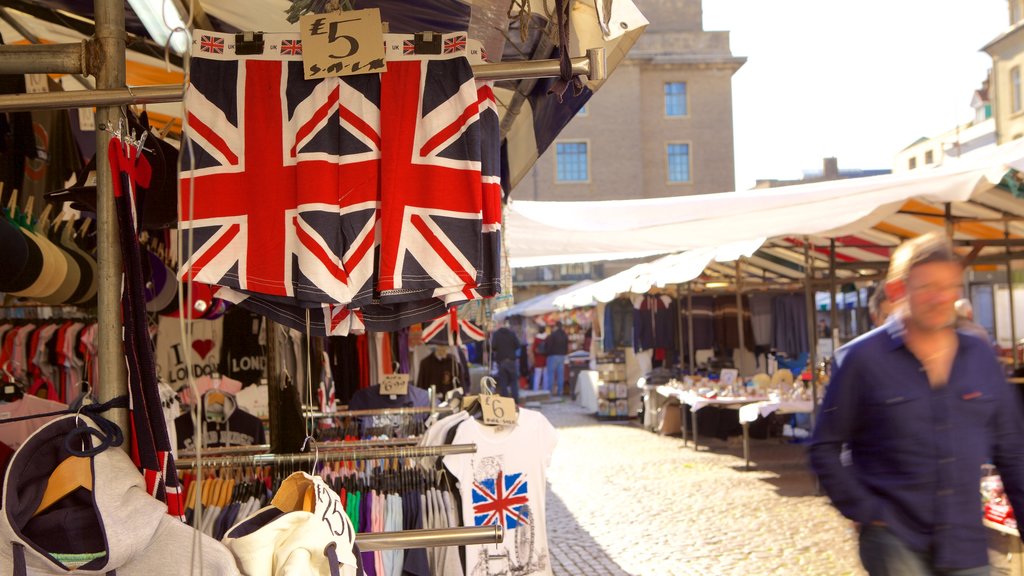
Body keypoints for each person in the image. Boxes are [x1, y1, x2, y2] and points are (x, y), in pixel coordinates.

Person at [809, 231, 1024, 575]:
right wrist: (867, 512)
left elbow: (1012, 452)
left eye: (950, 287)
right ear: (898, 291)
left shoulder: (979, 356)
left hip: (965, 545)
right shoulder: (863, 360)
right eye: (927, 287)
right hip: (895, 539)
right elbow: (824, 447)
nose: (942, 298)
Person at [490, 319, 521, 403]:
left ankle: (506, 402)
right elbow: (518, 345)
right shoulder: (512, 334)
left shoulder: (496, 334)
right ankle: (516, 401)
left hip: (501, 361)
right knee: (514, 382)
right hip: (511, 360)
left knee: (503, 382)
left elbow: (493, 347)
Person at [544, 321, 569, 397]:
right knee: (560, 375)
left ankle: (550, 392)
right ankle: (560, 392)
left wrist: (547, 353)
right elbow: (566, 346)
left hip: (552, 356)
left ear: (556, 326)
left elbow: (549, 346)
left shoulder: (553, 335)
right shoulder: (565, 335)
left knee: (551, 374)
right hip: (561, 356)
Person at [532, 326, 548, 391]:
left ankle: (535, 389)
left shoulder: (536, 338)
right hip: (545, 359)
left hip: (538, 359)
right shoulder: (547, 338)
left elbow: (533, 349)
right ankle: (545, 389)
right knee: (545, 376)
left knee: (537, 376)